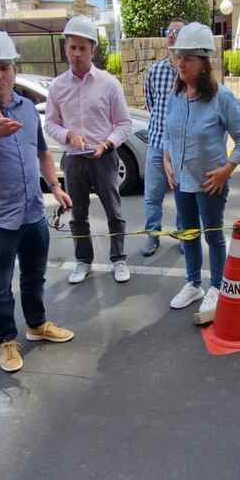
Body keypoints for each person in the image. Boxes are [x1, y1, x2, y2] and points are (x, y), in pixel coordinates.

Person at [0, 30, 75, 374]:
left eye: (4, 67)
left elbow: (41, 151)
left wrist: (55, 186)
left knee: (34, 276)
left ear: (14, 69)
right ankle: (6, 339)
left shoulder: (27, 108)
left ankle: (36, 325)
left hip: (32, 210)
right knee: (0, 281)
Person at [163, 22, 240, 313]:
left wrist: (226, 170)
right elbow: (169, 133)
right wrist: (167, 160)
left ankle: (216, 286)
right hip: (181, 182)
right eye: (179, 56)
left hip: (209, 182)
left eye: (188, 58)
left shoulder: (221, 98)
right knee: (187, 233)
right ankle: (193, 283)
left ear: (204, 63)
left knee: (213, 236)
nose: (181, 63)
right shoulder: (175, 96)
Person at [44, 15, 135, 285]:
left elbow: (124, 123)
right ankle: (83, 261)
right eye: (72, 47)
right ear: (65, 49)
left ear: (93, 50)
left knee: (114, 212)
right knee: (78, 214)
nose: (77, 54)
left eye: (83, 48)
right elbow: (50, 122)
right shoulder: (58, 86)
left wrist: (107, 144)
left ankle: (119, 260)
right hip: (73, 159)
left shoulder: (108, 83)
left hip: (104, 157)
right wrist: (67, 135)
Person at [141, 20, 184, 257]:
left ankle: (182, 236)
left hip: (182, 148)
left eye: (179, 32)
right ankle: (152, 236)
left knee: (183, 197)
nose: (173, 35)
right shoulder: (154, 71)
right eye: (170, 32)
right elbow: (150, 103)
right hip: (157, 144)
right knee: (152, 196)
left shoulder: (189, 71)